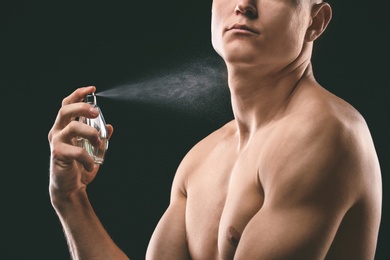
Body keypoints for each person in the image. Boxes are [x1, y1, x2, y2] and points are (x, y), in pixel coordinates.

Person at [48, 0, 382, 259]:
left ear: (316, 21)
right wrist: (70, 199)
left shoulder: (324, 134)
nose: (244, 5)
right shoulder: (200, 161)